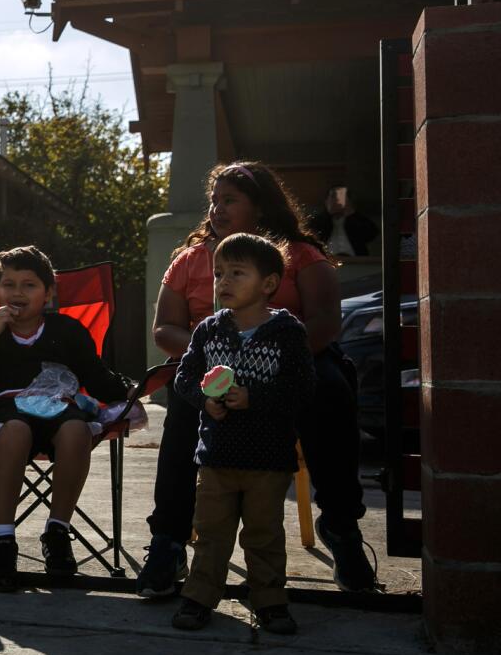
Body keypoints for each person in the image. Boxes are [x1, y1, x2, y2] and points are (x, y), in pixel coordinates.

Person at [137, 161, 376, 598]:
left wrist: (271, 364)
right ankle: (168, 540)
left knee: (329, 389)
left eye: (229, 200)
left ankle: (341, 527)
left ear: (260, 206)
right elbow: (164, 329)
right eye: (214, 199)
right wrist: (215, 350)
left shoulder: (301, 254)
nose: (216, 208)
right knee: (185, 398)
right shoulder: (190, 260)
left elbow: (325, 322)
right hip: (211, 363)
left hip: (290, 360)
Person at [0, 246, 129, 590]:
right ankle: (3, 540)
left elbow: (95, 376)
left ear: (48, 294)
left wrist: (128, 391)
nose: (17, 292)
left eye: (29, 285)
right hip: (7, 408)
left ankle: (57, 531)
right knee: (16, 431)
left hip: (60, 405)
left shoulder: (68, 330)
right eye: (8, 284)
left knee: (77, 430)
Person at [170, 233, 314, 634]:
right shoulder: (209, 331)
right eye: (219, 273)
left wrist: (255, 397)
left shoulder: (287, 332)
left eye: (237, 272)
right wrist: (206, 401)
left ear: (268, 284)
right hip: (216, 456)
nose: (224, 282)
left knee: (264, 534)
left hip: (268, 459)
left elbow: (302, 387)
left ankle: (269, 600)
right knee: (211, 534)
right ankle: (199, 597)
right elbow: (185, 377)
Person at [306, 185, 378, 257]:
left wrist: (351, 213)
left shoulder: (357, 219)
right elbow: (312, 233)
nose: (337, 200)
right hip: (326, 261)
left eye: (341, 197)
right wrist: (328, 213)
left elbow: (371, 233)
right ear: (326, 201)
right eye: (333, 196)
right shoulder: (318, 220)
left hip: (355, 261)